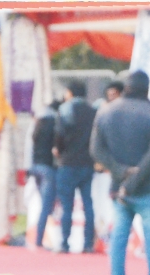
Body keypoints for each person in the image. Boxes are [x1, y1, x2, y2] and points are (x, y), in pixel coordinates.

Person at [90, 70, 150, 275]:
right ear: (147, 88)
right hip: (149, 187)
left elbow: (96, 150)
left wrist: (120, 172)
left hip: (119, 189)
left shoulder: (106, 111)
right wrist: (134, 179)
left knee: (118, 241)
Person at [54, 80, 97, 253]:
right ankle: (88, 243)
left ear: (70, 93)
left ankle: (65, 242)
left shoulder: (65, 109)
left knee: (67, 206)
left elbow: (59, 134)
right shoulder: (93, 111)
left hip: (68, 162)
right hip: (87, 162)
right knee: (88, 204)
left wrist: (58, 150)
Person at [31, 99, 61, 249]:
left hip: (36, 166)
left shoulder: (38, 125)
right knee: (47, 206)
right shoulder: (55, 126)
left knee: (44, 205)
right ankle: (39, 239)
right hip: (48, 168)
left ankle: (40, 238)